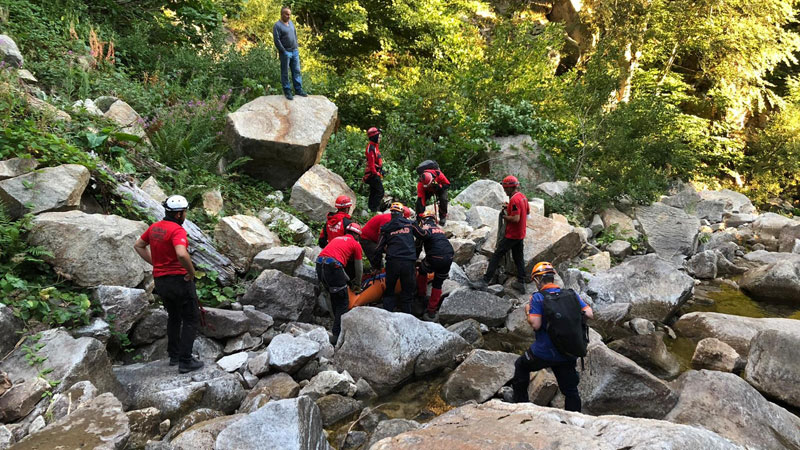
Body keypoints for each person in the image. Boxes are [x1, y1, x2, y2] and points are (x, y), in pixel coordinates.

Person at [133, 195, 204, 374]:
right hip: (179, 280)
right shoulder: (177, 230)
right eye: (185, 212)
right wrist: (191, 272)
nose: (185, 215)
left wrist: (155, 264)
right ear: (179, 214)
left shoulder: (155, 227)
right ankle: (185, 361)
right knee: (190, 318)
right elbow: (181, 253)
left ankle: (174, 355)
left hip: (161, 281)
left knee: (174, 316)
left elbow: (138, 245)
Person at [510, 262, 593, 411]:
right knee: (570, 391)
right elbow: (589, 313)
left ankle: (520, 406)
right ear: (552, 278)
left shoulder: (537, 297)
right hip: (568, 351)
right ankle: (575, 420)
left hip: (544, 352)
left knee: (521, 365)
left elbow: (535, 324)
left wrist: (528, 312)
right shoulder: (571, 294)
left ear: (537, 280)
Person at [476, 175, 529, 292]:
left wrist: (505, 216)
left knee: (496, 255)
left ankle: (484, 281)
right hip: (520, 234)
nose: (504, 190)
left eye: (505, 188)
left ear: (510, 188)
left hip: (512, 235)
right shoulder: (522, 197)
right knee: (518, 258)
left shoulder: (514, 199)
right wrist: (508, 207)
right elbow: (527, 213)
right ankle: (521, 282)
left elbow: (516, 219)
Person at [375, 202, 425, 313]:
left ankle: (387, 314)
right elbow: (423, 235)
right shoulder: (410, 224)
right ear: (402, 213)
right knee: (408, 291)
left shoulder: (386, 228)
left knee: (389, 290)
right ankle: (407, 316)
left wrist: (377, 265)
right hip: (408, 262)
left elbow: (378, 248)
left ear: (391, 213)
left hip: (393, 262)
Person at [316, 223, 364, 340]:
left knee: (332, 294)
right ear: (356, 235)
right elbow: (359, 268)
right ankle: (337, 334)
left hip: (320, 263)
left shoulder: (337, 239)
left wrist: (348, 281)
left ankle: (334, 321)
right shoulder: (355, 244)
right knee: (343, 301)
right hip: (333, 266)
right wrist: (357, 284)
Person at [415, 210, 454, 321]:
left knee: (422, 270)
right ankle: (432, 310)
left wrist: (413, 260)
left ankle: (421, 296)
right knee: (438, 283)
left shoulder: (425, 229)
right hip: (449, 256)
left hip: (435, 256)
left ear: (423, 220)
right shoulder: (439, 230)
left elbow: (417, 247)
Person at [360, 206, 411, 270]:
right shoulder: (387, 220)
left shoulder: (395, 220)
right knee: (376, 256)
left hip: (375, 237)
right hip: (367, 238)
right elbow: (382, 238)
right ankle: (377, 272)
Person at [273, 6, 307, 100]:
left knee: (296, 71)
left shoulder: (291, 23)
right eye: (287, 14)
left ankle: (298, 90)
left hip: (294, 51)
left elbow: (294, 34)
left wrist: (296, 46)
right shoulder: (277, 25)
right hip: (285, 52)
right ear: (282, 14)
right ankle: (287, 91)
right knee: (285, 72)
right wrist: (283, 51)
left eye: (290, 14)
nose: (289, 16)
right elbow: (277, 40)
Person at [362, 127, 385, 212]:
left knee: (374, 191)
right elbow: (371, 164)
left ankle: (371, 209)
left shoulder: (375, 147)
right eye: (379, 137)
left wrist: (381, 171)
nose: (380, 139)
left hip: (375, 172)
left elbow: (377, 162)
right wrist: (376, 173)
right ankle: (374, 210)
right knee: (380, 191)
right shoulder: (371, 148)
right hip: (372, 174)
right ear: (374, 137)